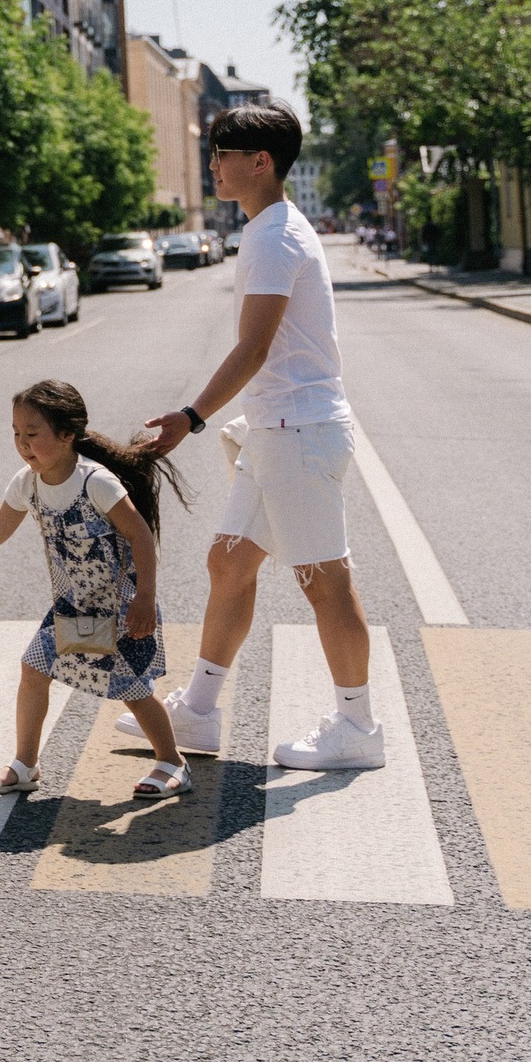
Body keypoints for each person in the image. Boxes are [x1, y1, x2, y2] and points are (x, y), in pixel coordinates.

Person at [133, 100, 383, 771]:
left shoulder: (275, 237)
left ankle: (358, 728)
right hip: (280, 432)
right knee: (230, 560)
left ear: (260, 162)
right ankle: (201, 712)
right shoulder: (267, 230)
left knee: (323, 580)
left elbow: (253, 347)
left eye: (222, 154)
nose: (212, 165)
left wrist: (191, 417)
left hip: (298, 430)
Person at [0, 380, 192, 799]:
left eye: (32, 434)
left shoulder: (95, 482)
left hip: (119, 606)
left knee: (133, 689)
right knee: (34, 669)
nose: (22, 444)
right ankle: (25, 766)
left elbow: (140, 535)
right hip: (74, 605)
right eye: (16, 433)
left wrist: (144, 600)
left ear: (67, 435)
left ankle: (172, 762)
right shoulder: (27, 483)